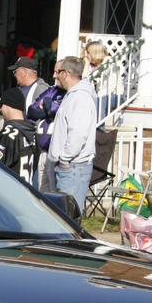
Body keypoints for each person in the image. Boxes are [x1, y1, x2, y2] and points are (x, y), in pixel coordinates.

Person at [45, 56, 97, 211]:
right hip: (70, 167)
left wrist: (65, 159)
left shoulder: (80, 97)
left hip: (73, 167)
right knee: (61, 216)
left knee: (68, 217)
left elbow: (78, 134)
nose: (54, 76)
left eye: (57, 72)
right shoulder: (73, 94)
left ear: (66, 73)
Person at [0, 87, 39, 185]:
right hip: (25, 192)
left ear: (8, 105)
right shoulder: (33, 133)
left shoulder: (10, 132)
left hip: (10, 192)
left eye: (1, 105)